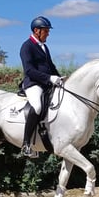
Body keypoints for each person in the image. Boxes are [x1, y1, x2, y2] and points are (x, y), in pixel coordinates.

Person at [19, 16, 62, 158]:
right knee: (37, 106)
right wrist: (49, 78)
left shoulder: (44, 47)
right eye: (46, 31)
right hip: (33, 83)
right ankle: (26, 144)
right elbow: (29, 71)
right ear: (36, 31)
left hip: (46, 83)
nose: (48, 34)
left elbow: (50, 66)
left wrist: (59, 78)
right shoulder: (27, 46)